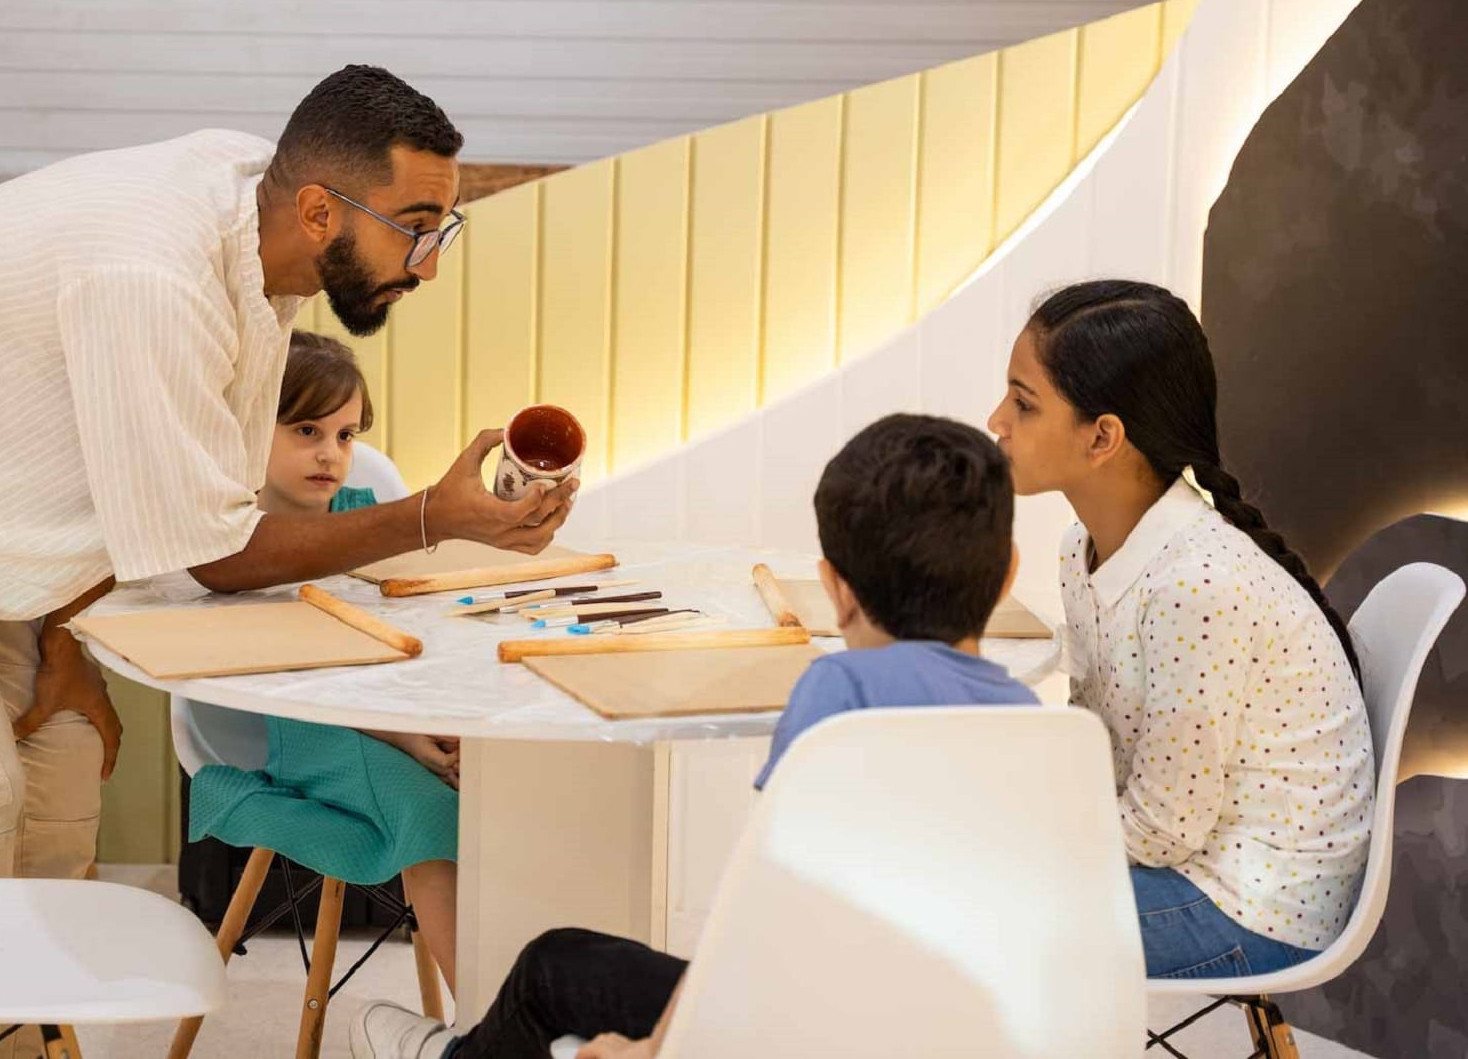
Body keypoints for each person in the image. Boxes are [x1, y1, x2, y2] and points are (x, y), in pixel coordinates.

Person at [0, 66, 574, 1058]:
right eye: (416, 229)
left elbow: (116, 476)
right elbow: (215, 552)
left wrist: (64, 641)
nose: (429, 265)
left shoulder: (252, 215)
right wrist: (431, 516)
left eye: (441, 229)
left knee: (62, 771)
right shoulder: (153, 280)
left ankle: (12, 1036)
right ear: (320, 211)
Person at [352, 413, 1037, 1059]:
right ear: (1007, 572)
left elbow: (762, 905)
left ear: (834, 588)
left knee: (550, 967)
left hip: (806, 1031)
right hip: (962, 1034)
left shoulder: (841, 694)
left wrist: (654, 1048)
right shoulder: (1034, 721)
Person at [986, 279, 1372, 978]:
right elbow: (1106, 753)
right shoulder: (1082, 551)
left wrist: (1035, 837)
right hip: (1194, 865)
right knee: (962, 872)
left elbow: (1164, 830)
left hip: (1253, 906)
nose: (996, 421)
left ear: (1103, 437)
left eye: (1023, 403)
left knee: (965, 907)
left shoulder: (1196, 588)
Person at [188, 330, 460, 986]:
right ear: (251, 425)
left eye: (345, 435)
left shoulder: (366, 517)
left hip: (390, 705)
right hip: (305, 727)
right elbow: (290, 676)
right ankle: (484, 1016)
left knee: (512, 791)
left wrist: (431, 721)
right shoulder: (230, 543)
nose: (330, 454)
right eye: (307, 430)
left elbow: (409, 630)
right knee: (431, 812)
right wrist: (404, 736)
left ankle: (524, 994)